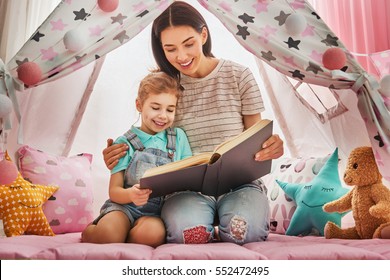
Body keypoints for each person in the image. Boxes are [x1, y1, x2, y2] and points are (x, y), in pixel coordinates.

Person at [103, 1, 284, 245]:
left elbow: (256, 140)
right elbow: (147, 133)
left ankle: (228, 223)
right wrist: (119, 155)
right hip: (187, 190)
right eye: (170, 49)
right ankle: (208, 226)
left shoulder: (239, 75)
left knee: (245, 233)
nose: (182, 56)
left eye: (188, 44)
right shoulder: (166, 87)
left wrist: (271, 146)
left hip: (240, 185)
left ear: (203, 35)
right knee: (186, 235)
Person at [82, 71, 192, 247]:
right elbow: (114, 191)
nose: (163, 115)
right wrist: (131, 194)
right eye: (155, 108)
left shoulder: (178, 137)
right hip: (124, 207)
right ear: (139, 105)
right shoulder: (125, 142)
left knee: (152, 235)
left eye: (170, 109)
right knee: (109, 234)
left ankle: (123, 238)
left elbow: (189, 171)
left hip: (155, 213)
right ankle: (94, 231)